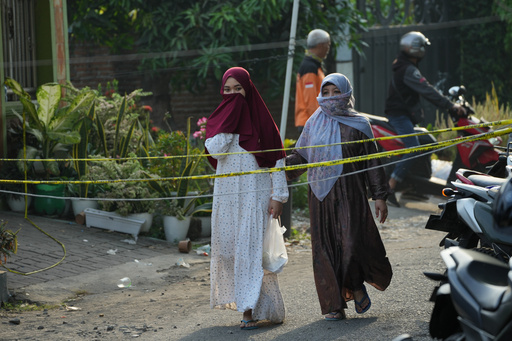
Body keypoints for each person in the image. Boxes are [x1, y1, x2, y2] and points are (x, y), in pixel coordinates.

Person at [286, 73, 392, 320]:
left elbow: (372, 163)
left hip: (351, 194)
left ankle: (355, 286)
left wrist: (379, 196)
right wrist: (280, 166)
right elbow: (302, 157)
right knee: (323, 249)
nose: (332, 98)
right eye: (327, 93)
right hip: (320, 197)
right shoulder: (313, 123)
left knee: (350, 243)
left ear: (347, 93)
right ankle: (333, 303)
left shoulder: (360, 124)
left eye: (337, 92)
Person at [204, 67, 289, 330]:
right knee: (230, 249)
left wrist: (278, 196)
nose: (233, 95)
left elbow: (277, 160)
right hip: (228, 197)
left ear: (248, 89)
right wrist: (229, 123)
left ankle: (249, 310)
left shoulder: (262, 120)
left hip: (256, 196)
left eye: (238, 90)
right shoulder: (221, 123)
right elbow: (215, 150)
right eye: (227, 91)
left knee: (250, 250)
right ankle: (255, 305)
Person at [385, 31, 466, 207]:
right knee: (413, 148)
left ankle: (412, 188)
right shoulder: (408, 69)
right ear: (416, 48)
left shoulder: (404, 65)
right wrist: (450, 106)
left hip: (403, 115)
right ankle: (390, 186)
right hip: (399, 116)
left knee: (425, 142)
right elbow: (427, 90)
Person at [295, 29, 331, 134]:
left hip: (312, 121)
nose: (328, 49)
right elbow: (310, 100)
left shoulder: (313, 65)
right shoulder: (309, 67)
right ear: (320, 45)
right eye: (327, 45)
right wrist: (320, 123)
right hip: (311, 123)